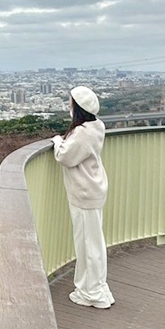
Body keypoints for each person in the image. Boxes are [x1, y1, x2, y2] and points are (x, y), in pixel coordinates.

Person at [52, 86, 115, 309]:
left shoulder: (82, 133)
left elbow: (64, 156)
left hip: (84, 193)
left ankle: (91, 293)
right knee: (94, 242)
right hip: (95, 189)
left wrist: (58, 141)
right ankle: (97, 287)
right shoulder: (97, 127)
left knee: (87, 244)